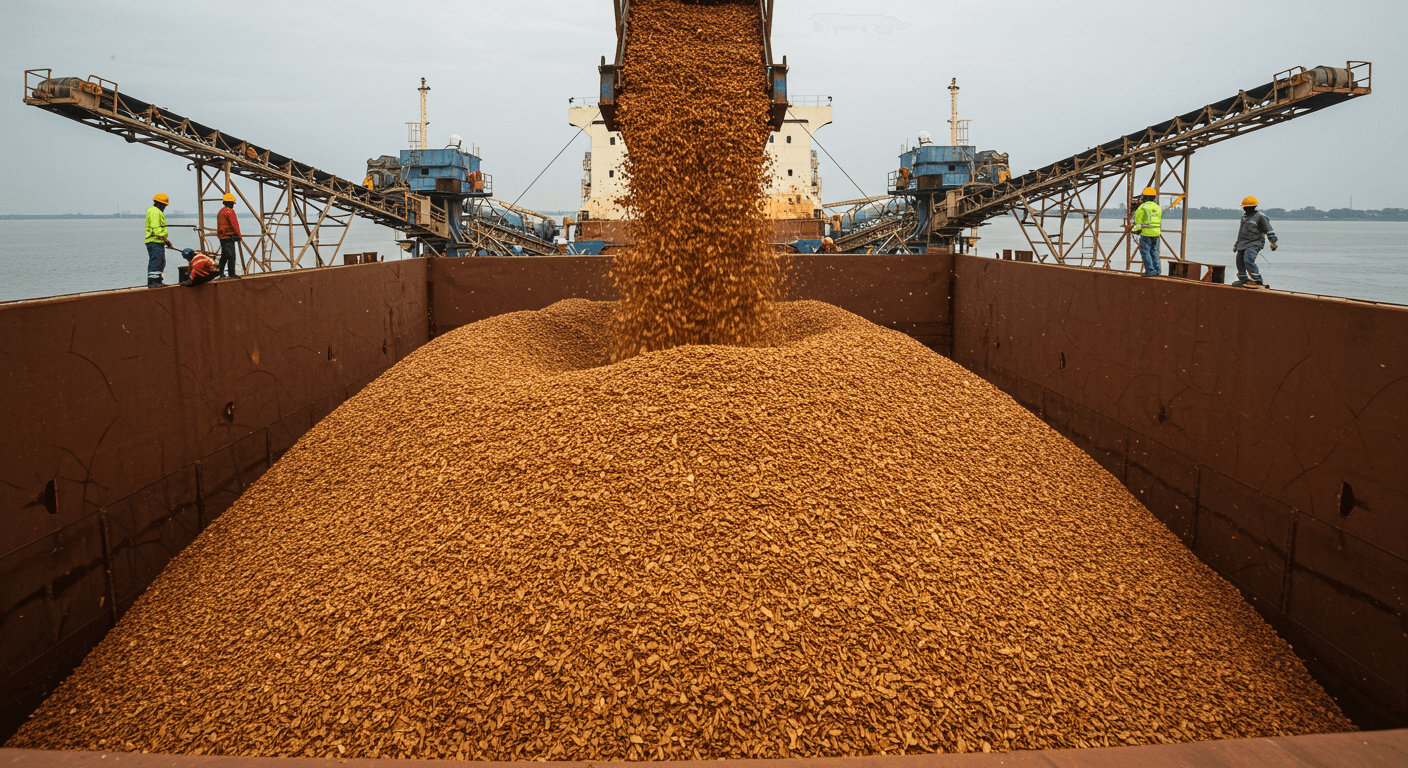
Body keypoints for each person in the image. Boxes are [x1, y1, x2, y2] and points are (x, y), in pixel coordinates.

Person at [1233, 196, 1278, 288]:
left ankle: (1257, 280)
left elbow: (1268, 230)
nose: (1245, 209)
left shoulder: (1260, 217)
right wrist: (1236, 244)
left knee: (1248, 259)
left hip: (1255, 243)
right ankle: (1243, 279)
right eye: (1244, 208)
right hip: (1243, 243)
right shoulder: (1244, 217)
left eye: (1247, 208)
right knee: (1239, 260)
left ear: (1253, 207)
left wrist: (1273, 242)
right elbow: (1240, 232)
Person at [145, 193, 175, 288]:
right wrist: (164, 239)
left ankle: (158, 281)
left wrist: (166, 240)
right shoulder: (155, 212)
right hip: (154, 241)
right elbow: (156, 228)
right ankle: (153, 282)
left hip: (157, 241)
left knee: (161, 261)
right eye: (164, 206)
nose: (164, 208)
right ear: (160, 204)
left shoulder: (154, 211)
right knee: (157, 260)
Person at [1131, 187, 1162, 276]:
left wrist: (1133, 229)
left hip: (1147, 233)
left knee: (1145, 252)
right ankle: (1157, 271)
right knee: (1154, 252)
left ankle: (1150, 271)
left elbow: (1138, 222)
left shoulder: (1143, 207)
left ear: (1145, 197)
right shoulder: (1158, 207)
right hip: (1156, 233)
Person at [215, 193, 242, 279]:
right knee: (231, 256)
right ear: (230, 203)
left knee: (224, 256)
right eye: (232, 204)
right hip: (229, 237)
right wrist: (239, 236)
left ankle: (221, 273)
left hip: (222, 237)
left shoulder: (220, 212)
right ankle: (231, 275)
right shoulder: (230, 212)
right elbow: (235, 225)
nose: (233, 205)